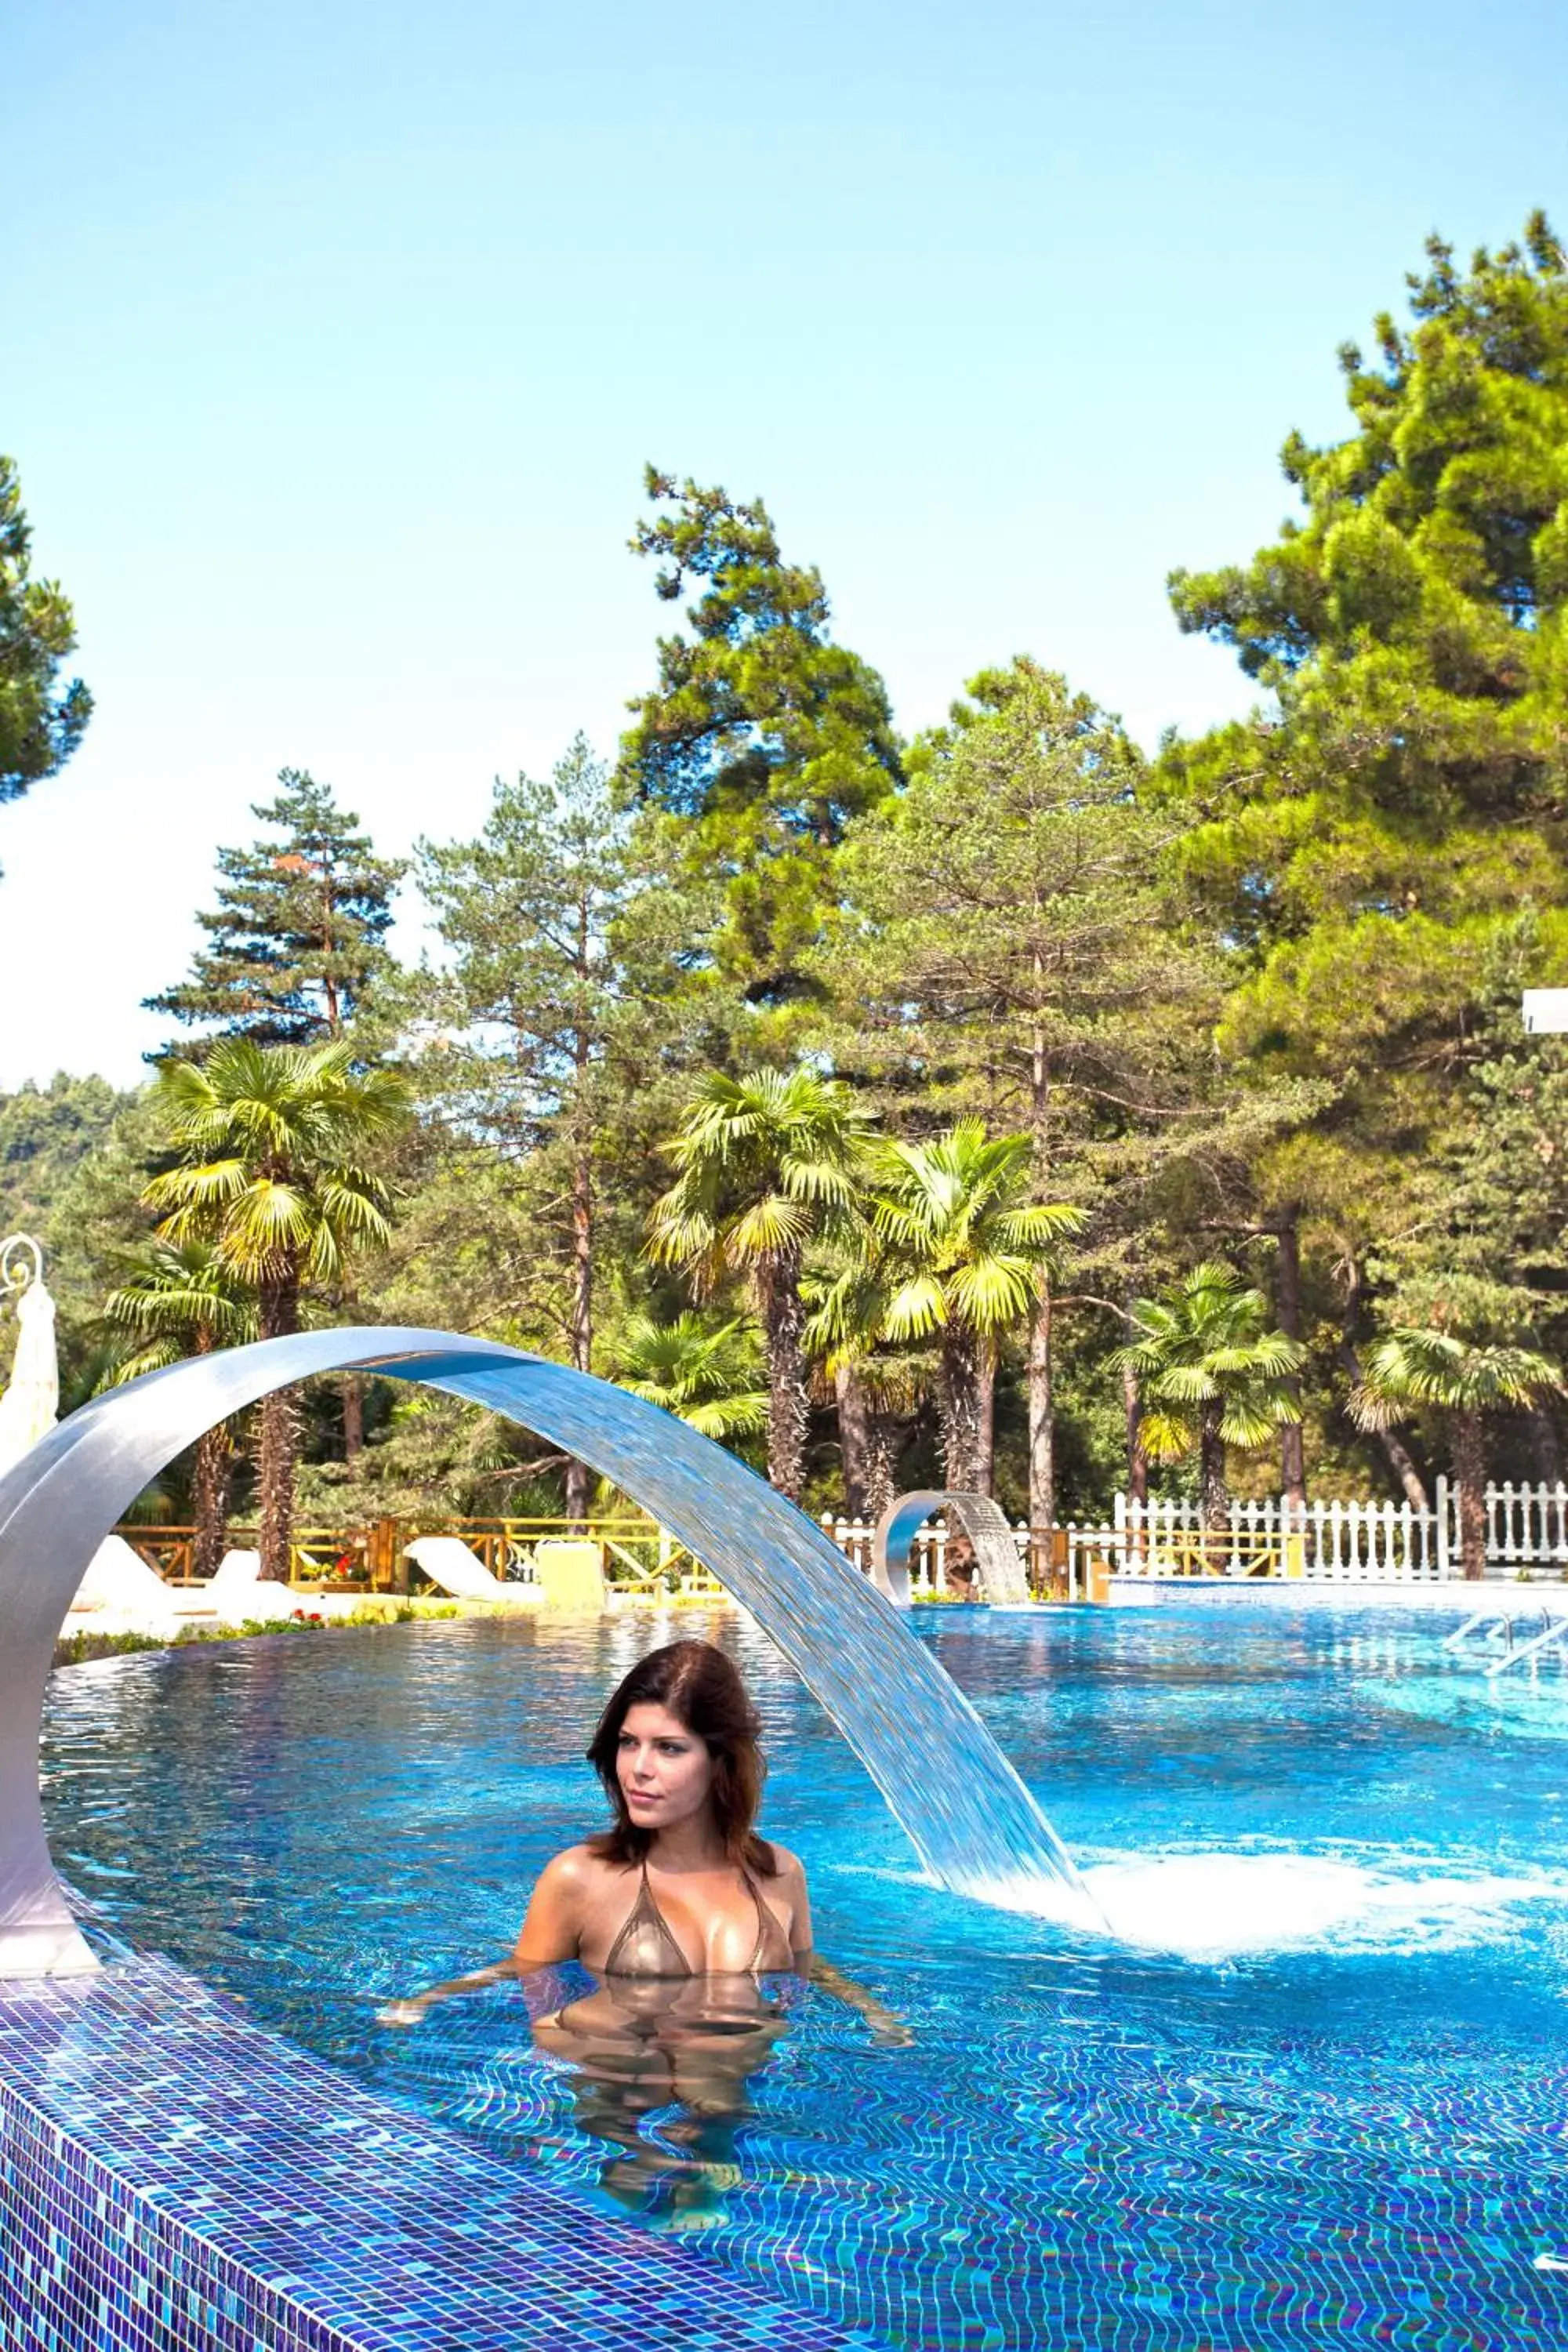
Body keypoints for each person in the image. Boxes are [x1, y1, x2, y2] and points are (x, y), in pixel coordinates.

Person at [378, 1639, 903, 2218]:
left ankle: (704, 2173)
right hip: (614, 2082)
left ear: (721, 1760)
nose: (639, 1769)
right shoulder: (582, 1876)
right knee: (655, 2070)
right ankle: (627, 2184)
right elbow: (531, 1974)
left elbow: (802, 1967)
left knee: (716, 2056)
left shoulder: (780, 1872)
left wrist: (868, 2008)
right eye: (628, 1743)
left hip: (725, 2089)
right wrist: (433, 1998)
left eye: (669, 1748)